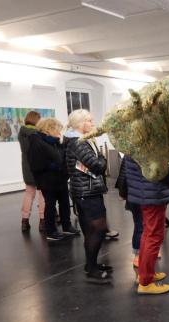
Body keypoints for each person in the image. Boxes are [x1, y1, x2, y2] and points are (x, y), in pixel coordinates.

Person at [65, 109, 113, 283]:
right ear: (80, 123)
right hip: (87, 192)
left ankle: (90, 265)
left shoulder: (82, 141)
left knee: (91, 231)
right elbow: (98, 166)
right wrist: (101, 156)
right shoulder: (78, 142)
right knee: (99, 229)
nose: (93, 124)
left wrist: (100, 158)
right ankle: (92, 269)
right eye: (90, 121)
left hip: (88, 191)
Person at [122, 155, 169, 295]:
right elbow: (161, 169)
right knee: (153, 236)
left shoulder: (130, 145)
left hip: (146, 193)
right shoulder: (145, 145)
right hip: (153, 193)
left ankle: (146, 274)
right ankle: (146, 282)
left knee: (148, 234)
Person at [28, 118, 80, 241]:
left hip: (60, 178)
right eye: (57, 130)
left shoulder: (55, 142)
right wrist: (53, 166)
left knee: (65, 203)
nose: (59, 133)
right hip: (47, 180)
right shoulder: (37, 142)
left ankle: (67, 226)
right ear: (49, 129)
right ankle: (51, 231)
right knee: (50, 205)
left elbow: (61, 156)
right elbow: (35, 165)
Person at [18, 111, 45, 232]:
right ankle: (42, 221)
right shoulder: (38, 133)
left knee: (29, 193)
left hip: (27, 167)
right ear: (36, 120)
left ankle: (24, 221)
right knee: (42, 194)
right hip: (39, 166)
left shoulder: (21, 133)